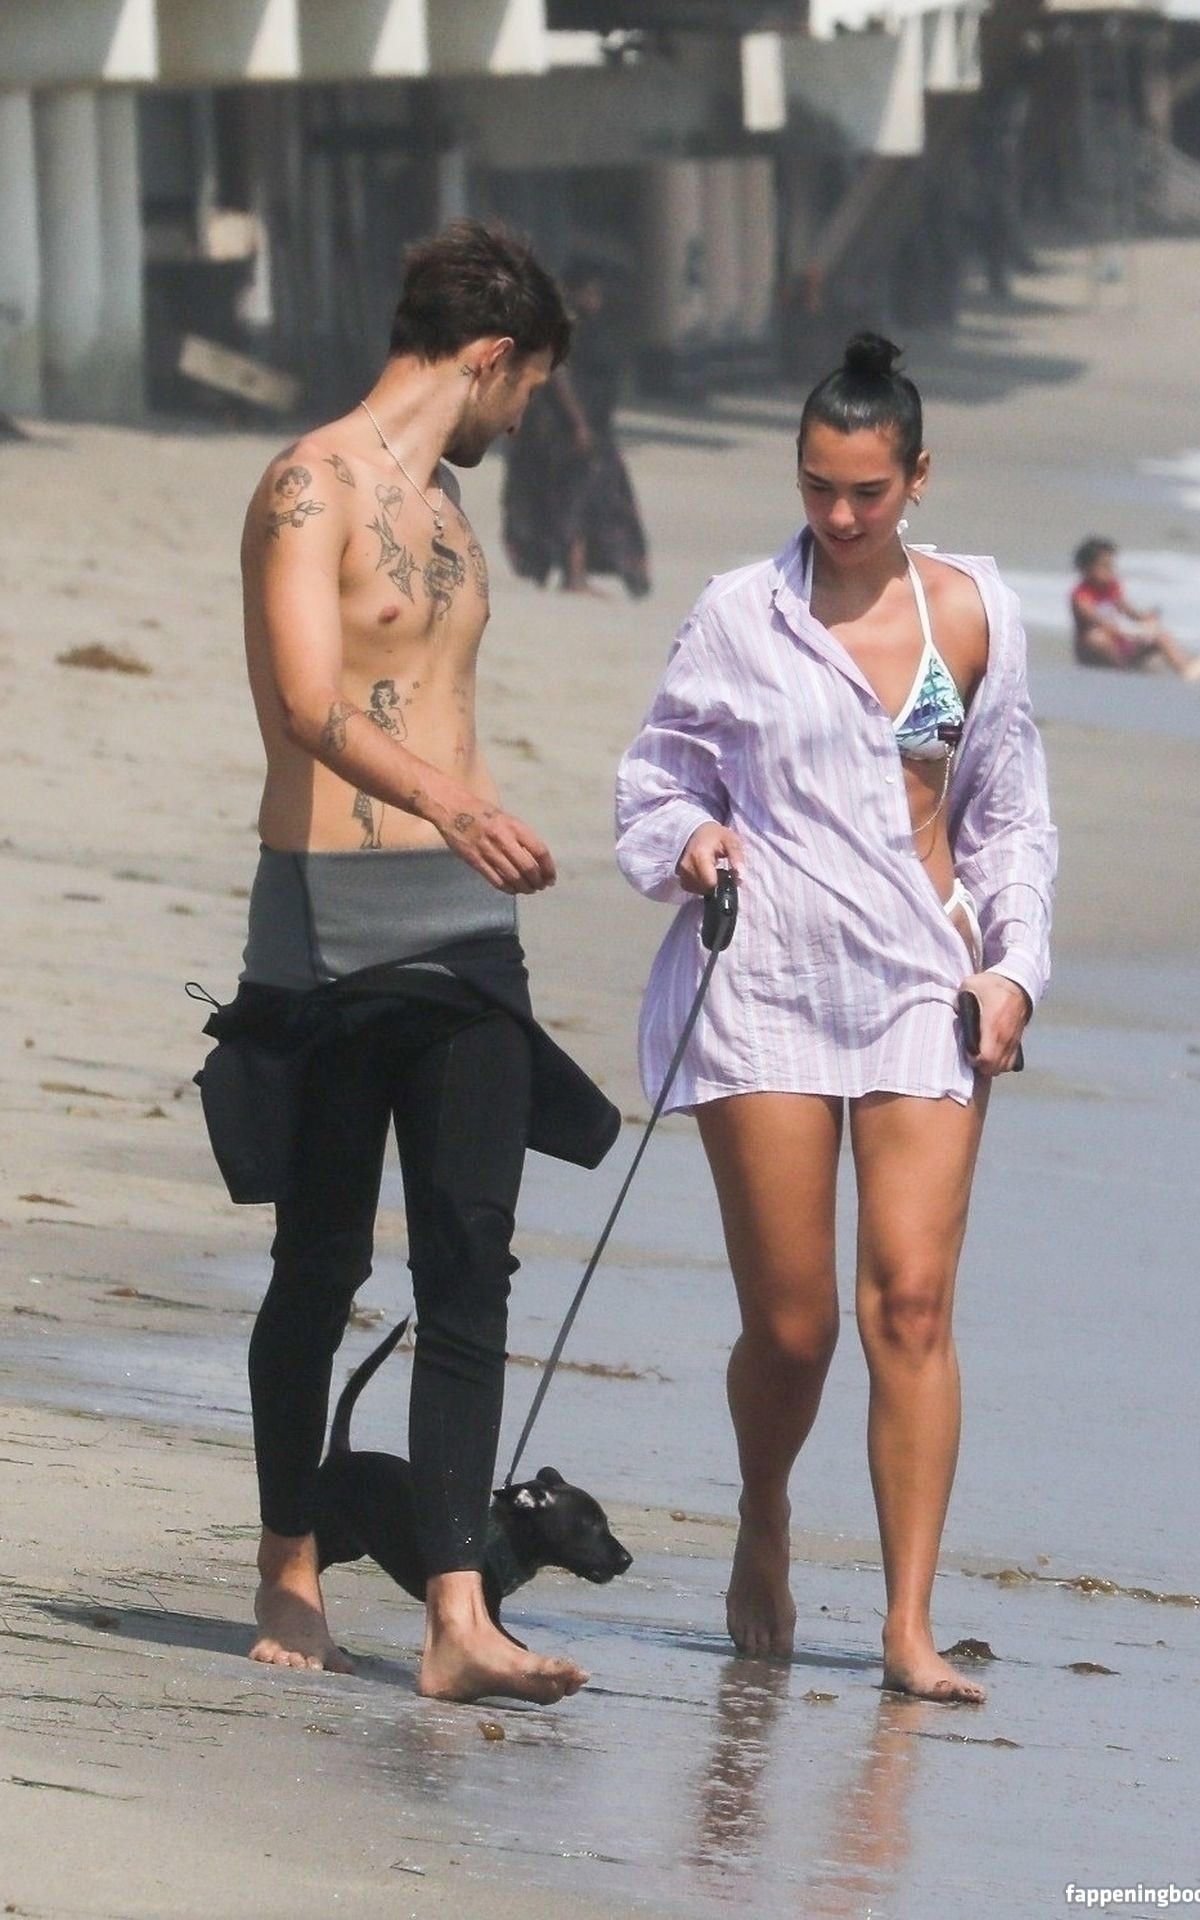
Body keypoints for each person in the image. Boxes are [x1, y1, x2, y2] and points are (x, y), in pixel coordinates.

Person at [616, 333, 1057, 1704]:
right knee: (796, 1325)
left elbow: (1010, 816)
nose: (842, 515)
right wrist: (690, 842)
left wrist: (1014, 970)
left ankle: (908, 1625)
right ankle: (764, 1513)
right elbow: (655, 779)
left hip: (925, 982)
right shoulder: (739, 614)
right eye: (817, 487)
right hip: (766, 987)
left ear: (917, 477)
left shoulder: (971, 613)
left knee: (910, 1305)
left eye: (867, 490)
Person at [227, 219, 619, 1705]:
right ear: (490, 358)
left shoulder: (448, 509)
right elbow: (306, 701)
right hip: (328, 924)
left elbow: (436, 696)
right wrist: (453, 805)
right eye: (527, 392)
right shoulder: (307, 483)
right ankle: (289, 1559)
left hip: (464, 932)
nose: (521, 422)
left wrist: (469, 824)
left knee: (469, 1260)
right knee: (320, 1260)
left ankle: (458, 1611)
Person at [501, 257, 650, 598]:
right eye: (591, 291)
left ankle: (583, 573)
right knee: (575, 500)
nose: (597, 298)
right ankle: (574, 576)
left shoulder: (592, 325)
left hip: (594, 427)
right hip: (564, 432)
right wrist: (578, 423)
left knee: (594, 499)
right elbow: (559, 374)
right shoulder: (562, 328)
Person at [1070, 537, 1200, 681]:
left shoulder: (1112, 587)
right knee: (1096, 638)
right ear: (1086, 569)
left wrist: (1145, 618)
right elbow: (1101, 623)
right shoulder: (1081, 595)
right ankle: (1121, 670)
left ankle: (1185, 668)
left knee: (1160, 635)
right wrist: (1135, 632)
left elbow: (1130, 612)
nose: (1110, 571)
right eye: (1104, 566)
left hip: (1120, 645)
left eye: (1111, 566)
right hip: (1094, 653)